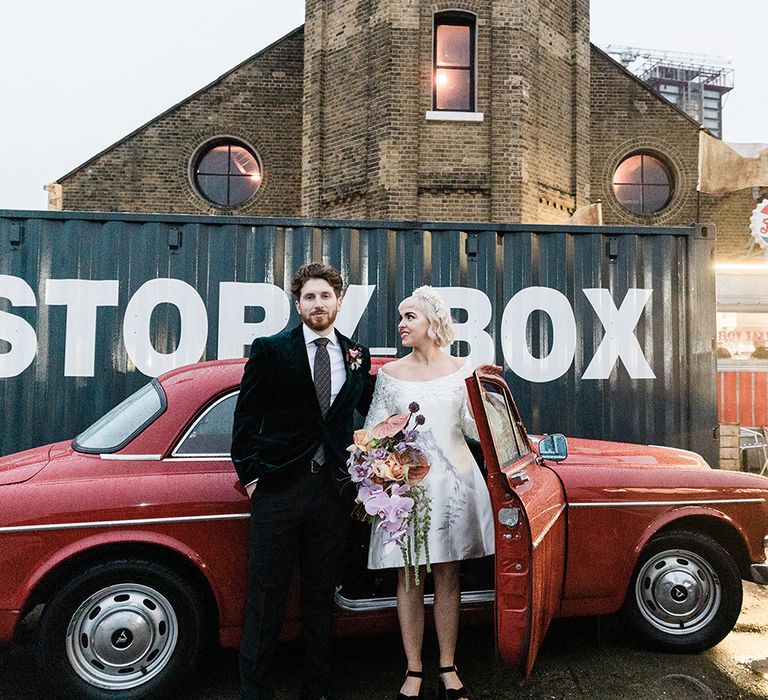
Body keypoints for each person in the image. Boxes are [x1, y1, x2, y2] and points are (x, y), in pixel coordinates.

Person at [231, 262, 375, 700]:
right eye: (309, 297)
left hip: (332, 493)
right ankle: (255, 690)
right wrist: (254, 480)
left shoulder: (356, 354)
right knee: (266, 596)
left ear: (339, 302)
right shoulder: (271, 349)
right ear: (298, 304)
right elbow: (246, 421)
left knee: (320, 596)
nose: (318, 304)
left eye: (325, 296)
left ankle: (317, 687)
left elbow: (376, 409)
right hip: (279, 490)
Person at [363, 286, 495, 700]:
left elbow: (475, 431)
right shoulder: (390, 375)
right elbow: (372, 434)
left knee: (449, 575)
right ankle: (414, 669)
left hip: (455, 486)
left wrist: (488, 393)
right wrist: (380, 471)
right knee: (408, 576)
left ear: (432, 323)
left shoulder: (463, 369)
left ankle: (448, 667)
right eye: (400, 318)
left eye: (409, 317)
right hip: (407, 490)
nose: (401, 324)